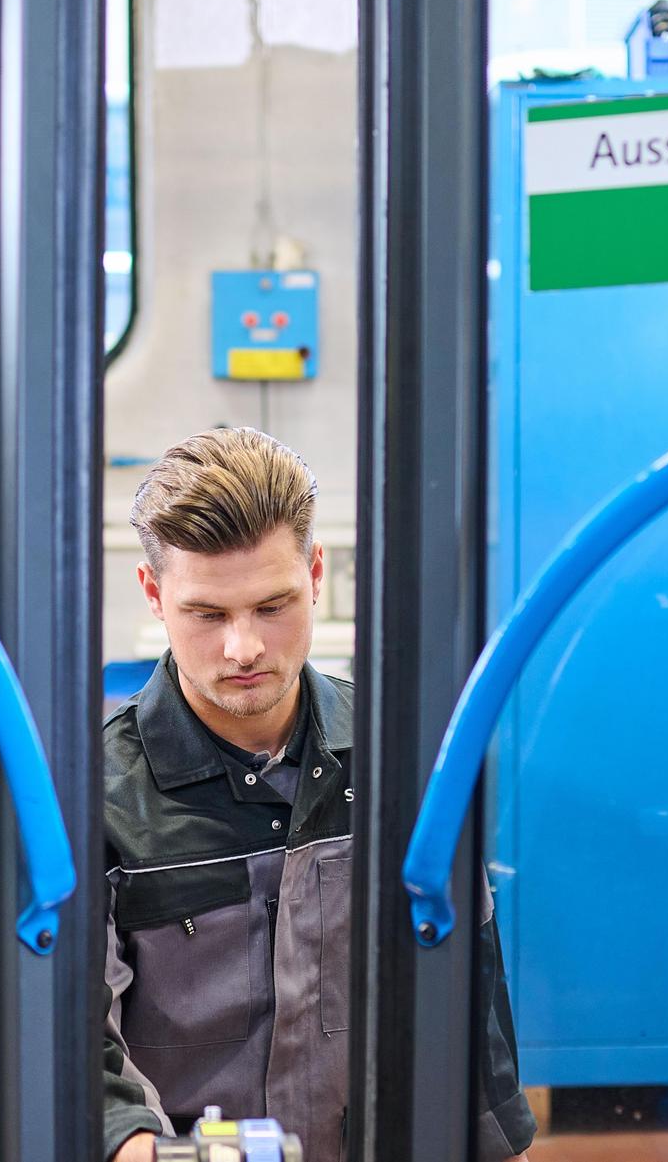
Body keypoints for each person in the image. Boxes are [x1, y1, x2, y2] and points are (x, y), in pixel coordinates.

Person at [100, 428, 537, 1162]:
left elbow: (467, 1001)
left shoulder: (404, 763)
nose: (244, 648)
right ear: (154, 594)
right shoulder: (97, 795)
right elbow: (74, 1043)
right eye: (208, 614)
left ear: (316, 573)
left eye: (273, 605)